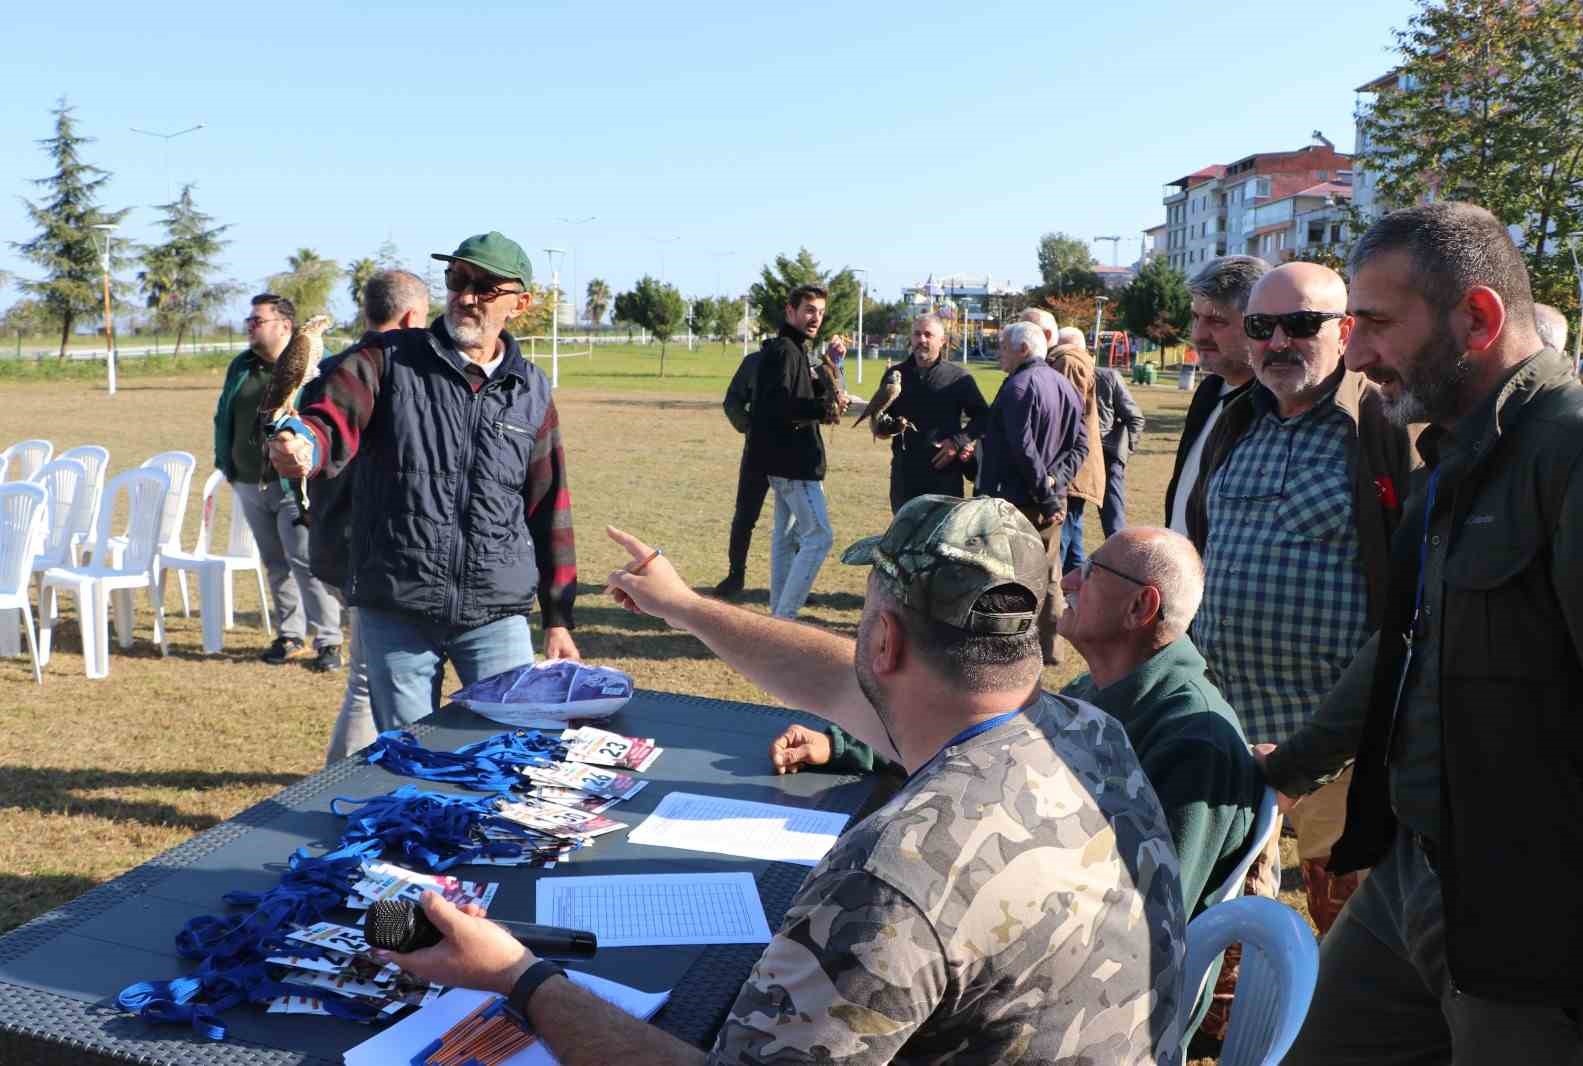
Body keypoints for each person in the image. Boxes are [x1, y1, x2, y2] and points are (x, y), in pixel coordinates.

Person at [384, 495, 1186, 1065]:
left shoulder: (895, 877)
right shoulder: (1088, 733)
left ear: (887, 642)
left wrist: (515, 977)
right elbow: (846, 683)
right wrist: (688, 608)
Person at [1260, 202, 1583, 1066]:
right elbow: (1404, 641)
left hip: (1530, 914)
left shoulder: (1577, 461)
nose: (1358, 351)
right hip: (1412, 872)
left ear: (1478, 319)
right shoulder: (1451, 454)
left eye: (1374, 323)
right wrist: (1290, 766)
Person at [1187, 261, 1419, 934]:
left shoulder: (1379, 425)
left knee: (1352, 932)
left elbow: (1416, 591)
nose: (1278, 342)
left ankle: (1346, 1038)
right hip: (1229, 730)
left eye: (1301, 325)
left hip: (1337, 751)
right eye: (1261, 327)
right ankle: (1233, 1027)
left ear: (1345, 330)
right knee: (1229, 912)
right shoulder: (1240, 421)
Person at [268, 232, 580, 731]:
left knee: (508, 753)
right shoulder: (384, 359)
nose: (466, 296)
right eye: (457, 279)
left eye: (484, 286)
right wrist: (305, 444)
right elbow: (330, 419)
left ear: (519, 304)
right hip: (397, 605)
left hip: (497, 615)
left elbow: (548, 505)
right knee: (408, 758)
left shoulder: (532, 391)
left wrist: (559, 614)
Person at [1058, 527, 1265, 1045]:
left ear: (1139, 607)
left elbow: (1140, 934)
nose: (1068, 580)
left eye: (1091, 572)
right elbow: (998, 741)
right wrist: (843, 747)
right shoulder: (1100, 690)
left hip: (1105, 1022)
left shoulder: (1195, 742)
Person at [303, 269, 431, 763]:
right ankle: (335, 783)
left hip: (335, 543)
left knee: (368, 677)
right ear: (413, 316)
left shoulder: (331, 369)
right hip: (369, 552)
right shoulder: (386, 379)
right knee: (365, 681)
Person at [212, 292, 343, 669]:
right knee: (275, 562)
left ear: (285, 325)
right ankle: (290, 634)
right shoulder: (242, 365)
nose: (250, 326)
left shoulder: (316, 365)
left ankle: (329, 641)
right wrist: (227, 464)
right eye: (249, 321)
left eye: (258, 320)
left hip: (294, 485)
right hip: (249, 481)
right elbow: (225, 415)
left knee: (305, 560)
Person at [976, 321, 1086, 666]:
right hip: (1048, 499)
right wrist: (1056, 480)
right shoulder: (1064, 385)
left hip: (1017, 500)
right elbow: (1081, 444)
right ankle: (1050, 649)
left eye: (1004, 347)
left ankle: (1005, 648)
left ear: (1023, 349)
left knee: (1006, 575)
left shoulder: (1018, 387)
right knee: (1050, 575)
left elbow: (1022, 449)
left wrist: (1046, 492)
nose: (999, 355)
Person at [745, 284, 850, 619]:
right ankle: (783, 620)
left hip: (784, 462)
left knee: (786, 539)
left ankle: (778, 616)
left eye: (820, 311)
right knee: (819, 537)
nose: (815, 317)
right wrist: (823, 408)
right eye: (808, 310)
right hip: (793, 464)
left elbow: (799, 396)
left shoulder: (795, 350)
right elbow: (780, 406)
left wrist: (833, 370)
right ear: (790, 311)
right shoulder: (785, 352)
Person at [1165, 256, 1267, 536]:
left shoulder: (1275, 405)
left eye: (1216, 321)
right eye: (1196, 317)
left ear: (1258, 324)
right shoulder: (1208, 392)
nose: (1198, 335)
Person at [866, 313, 989, 511]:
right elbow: (879, 420)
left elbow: (984, 417)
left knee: (941, 540)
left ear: (942, 341)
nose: (921, 339)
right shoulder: (896, 375)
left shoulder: (959, 378)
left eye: (928, 334)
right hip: (905, 477)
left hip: (944, 478)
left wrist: (957, 442)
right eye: (916, 334)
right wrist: (882, 428)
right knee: (906, 540)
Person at [1026, 308, 1103, 574]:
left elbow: (1066, 420)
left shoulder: (1066, 362)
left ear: (1047, 334)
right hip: (1068, 471)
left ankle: (1067, 609)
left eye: (1028, 328)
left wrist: (1054, 474)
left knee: (1062, 549)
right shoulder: (1059, 361)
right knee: (1073, 544)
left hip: (1068, 473)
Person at [711, 347, 768, 599]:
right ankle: (735, 575)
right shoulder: (755, 362)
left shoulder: (809, 362)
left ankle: (794, 581)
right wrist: (749, 427)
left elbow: (831, 401)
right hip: (758, 453)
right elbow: (732, 399)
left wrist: (838, 364)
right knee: (745, 516)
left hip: (796, 458)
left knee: (796, 525)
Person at [1094, 364, 1145, 537]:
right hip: (1076, 457)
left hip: (1107, 455)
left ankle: (1119, 560)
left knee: (1114, 521)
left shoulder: (1107, 377)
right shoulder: (1060, 372)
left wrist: (1123, 453)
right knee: (1071, 519)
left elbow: (1135, 418)